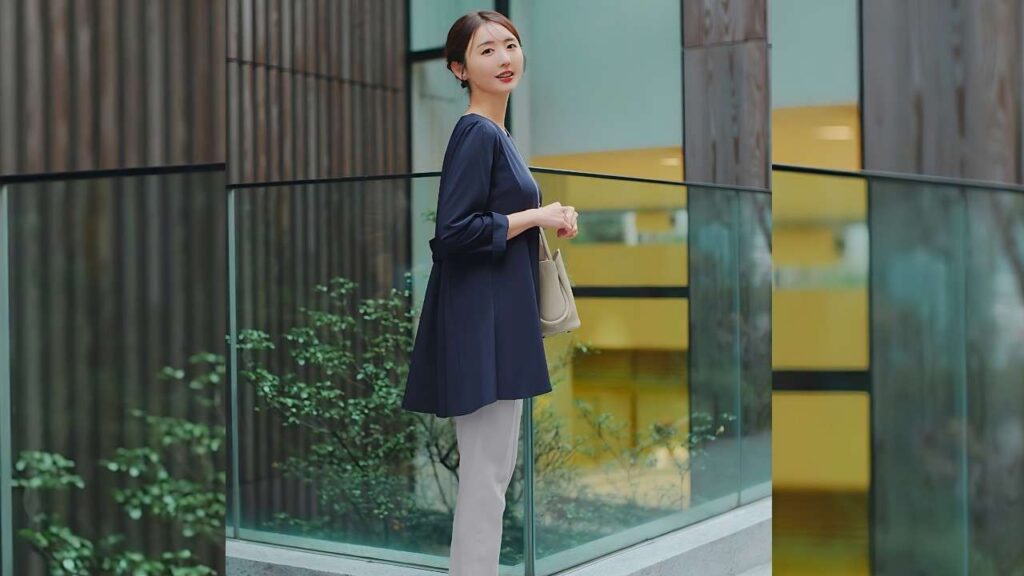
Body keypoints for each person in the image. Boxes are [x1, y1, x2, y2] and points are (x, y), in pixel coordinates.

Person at [401, 10, 578, 576]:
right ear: (459, 69)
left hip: (496, 322)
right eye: (486, 50)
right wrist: (536, 215)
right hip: (482, 327)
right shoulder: (477, 132)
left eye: (510, 45)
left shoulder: (498, 134)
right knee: (486, 479)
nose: (504, 58)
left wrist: (551, 215)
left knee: (492, 477)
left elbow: (493, 217)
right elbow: (453, 233)